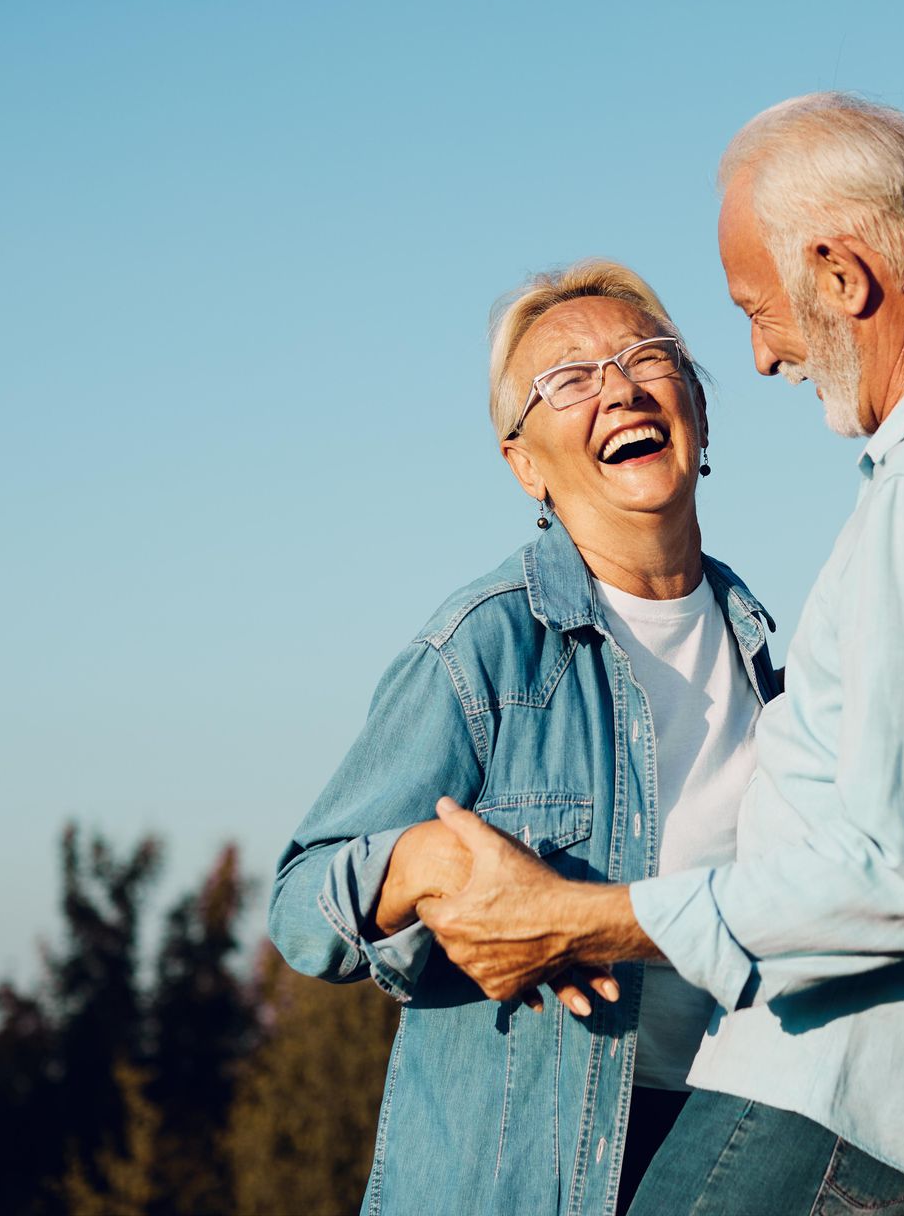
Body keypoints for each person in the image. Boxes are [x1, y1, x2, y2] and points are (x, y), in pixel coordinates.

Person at [419, 93, 904, 1214]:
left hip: (834, 1107)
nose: (759, 356)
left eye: (761, 309)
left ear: (844, 276)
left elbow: (899, 878)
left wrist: (580, 916)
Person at [266, 260, 782, 1215]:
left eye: (647, 358)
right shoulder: (486, 645)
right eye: (570, 379)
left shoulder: (769, 650)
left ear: (698, 410)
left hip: (726, 1145)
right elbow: (301, 905)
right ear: (525, 463)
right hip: (526, 1179)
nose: (620, 388)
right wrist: (422, 861)